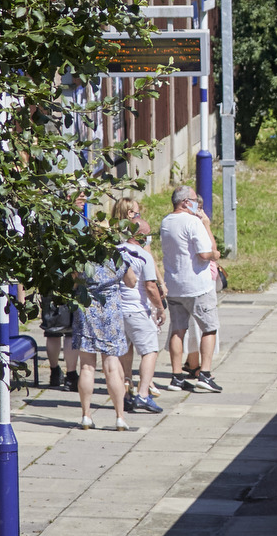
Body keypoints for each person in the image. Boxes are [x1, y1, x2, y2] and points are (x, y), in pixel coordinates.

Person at [73, 213, 137, 431]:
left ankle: (86, 415)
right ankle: (119, 417)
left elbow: (73, 280)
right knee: (111, 366)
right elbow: (131, 282)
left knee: (87, 367)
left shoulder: (82, 256)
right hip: (110, 313)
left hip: (87, 309)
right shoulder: (116, 256)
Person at [160, 185, 223, 393]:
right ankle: (204, 373)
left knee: (178, 330)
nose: (197, 203)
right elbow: (206, 253)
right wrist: (216, 252)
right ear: (186, 202)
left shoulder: (166, 222)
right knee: (209, 328)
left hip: (175, 285)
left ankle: (176, 376)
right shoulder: (193, 222)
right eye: (194, 199)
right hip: (197, 286)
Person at [115, 202, 168, 417]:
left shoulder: (115, 251)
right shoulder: (142, 255)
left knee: (124, 351)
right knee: (150, 350)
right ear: (140, 236)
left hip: (117, 310)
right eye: (147, 235)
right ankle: (143, 394)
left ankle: (125, 392)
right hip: (137, 309)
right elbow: (150, 287)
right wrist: (160, 308)